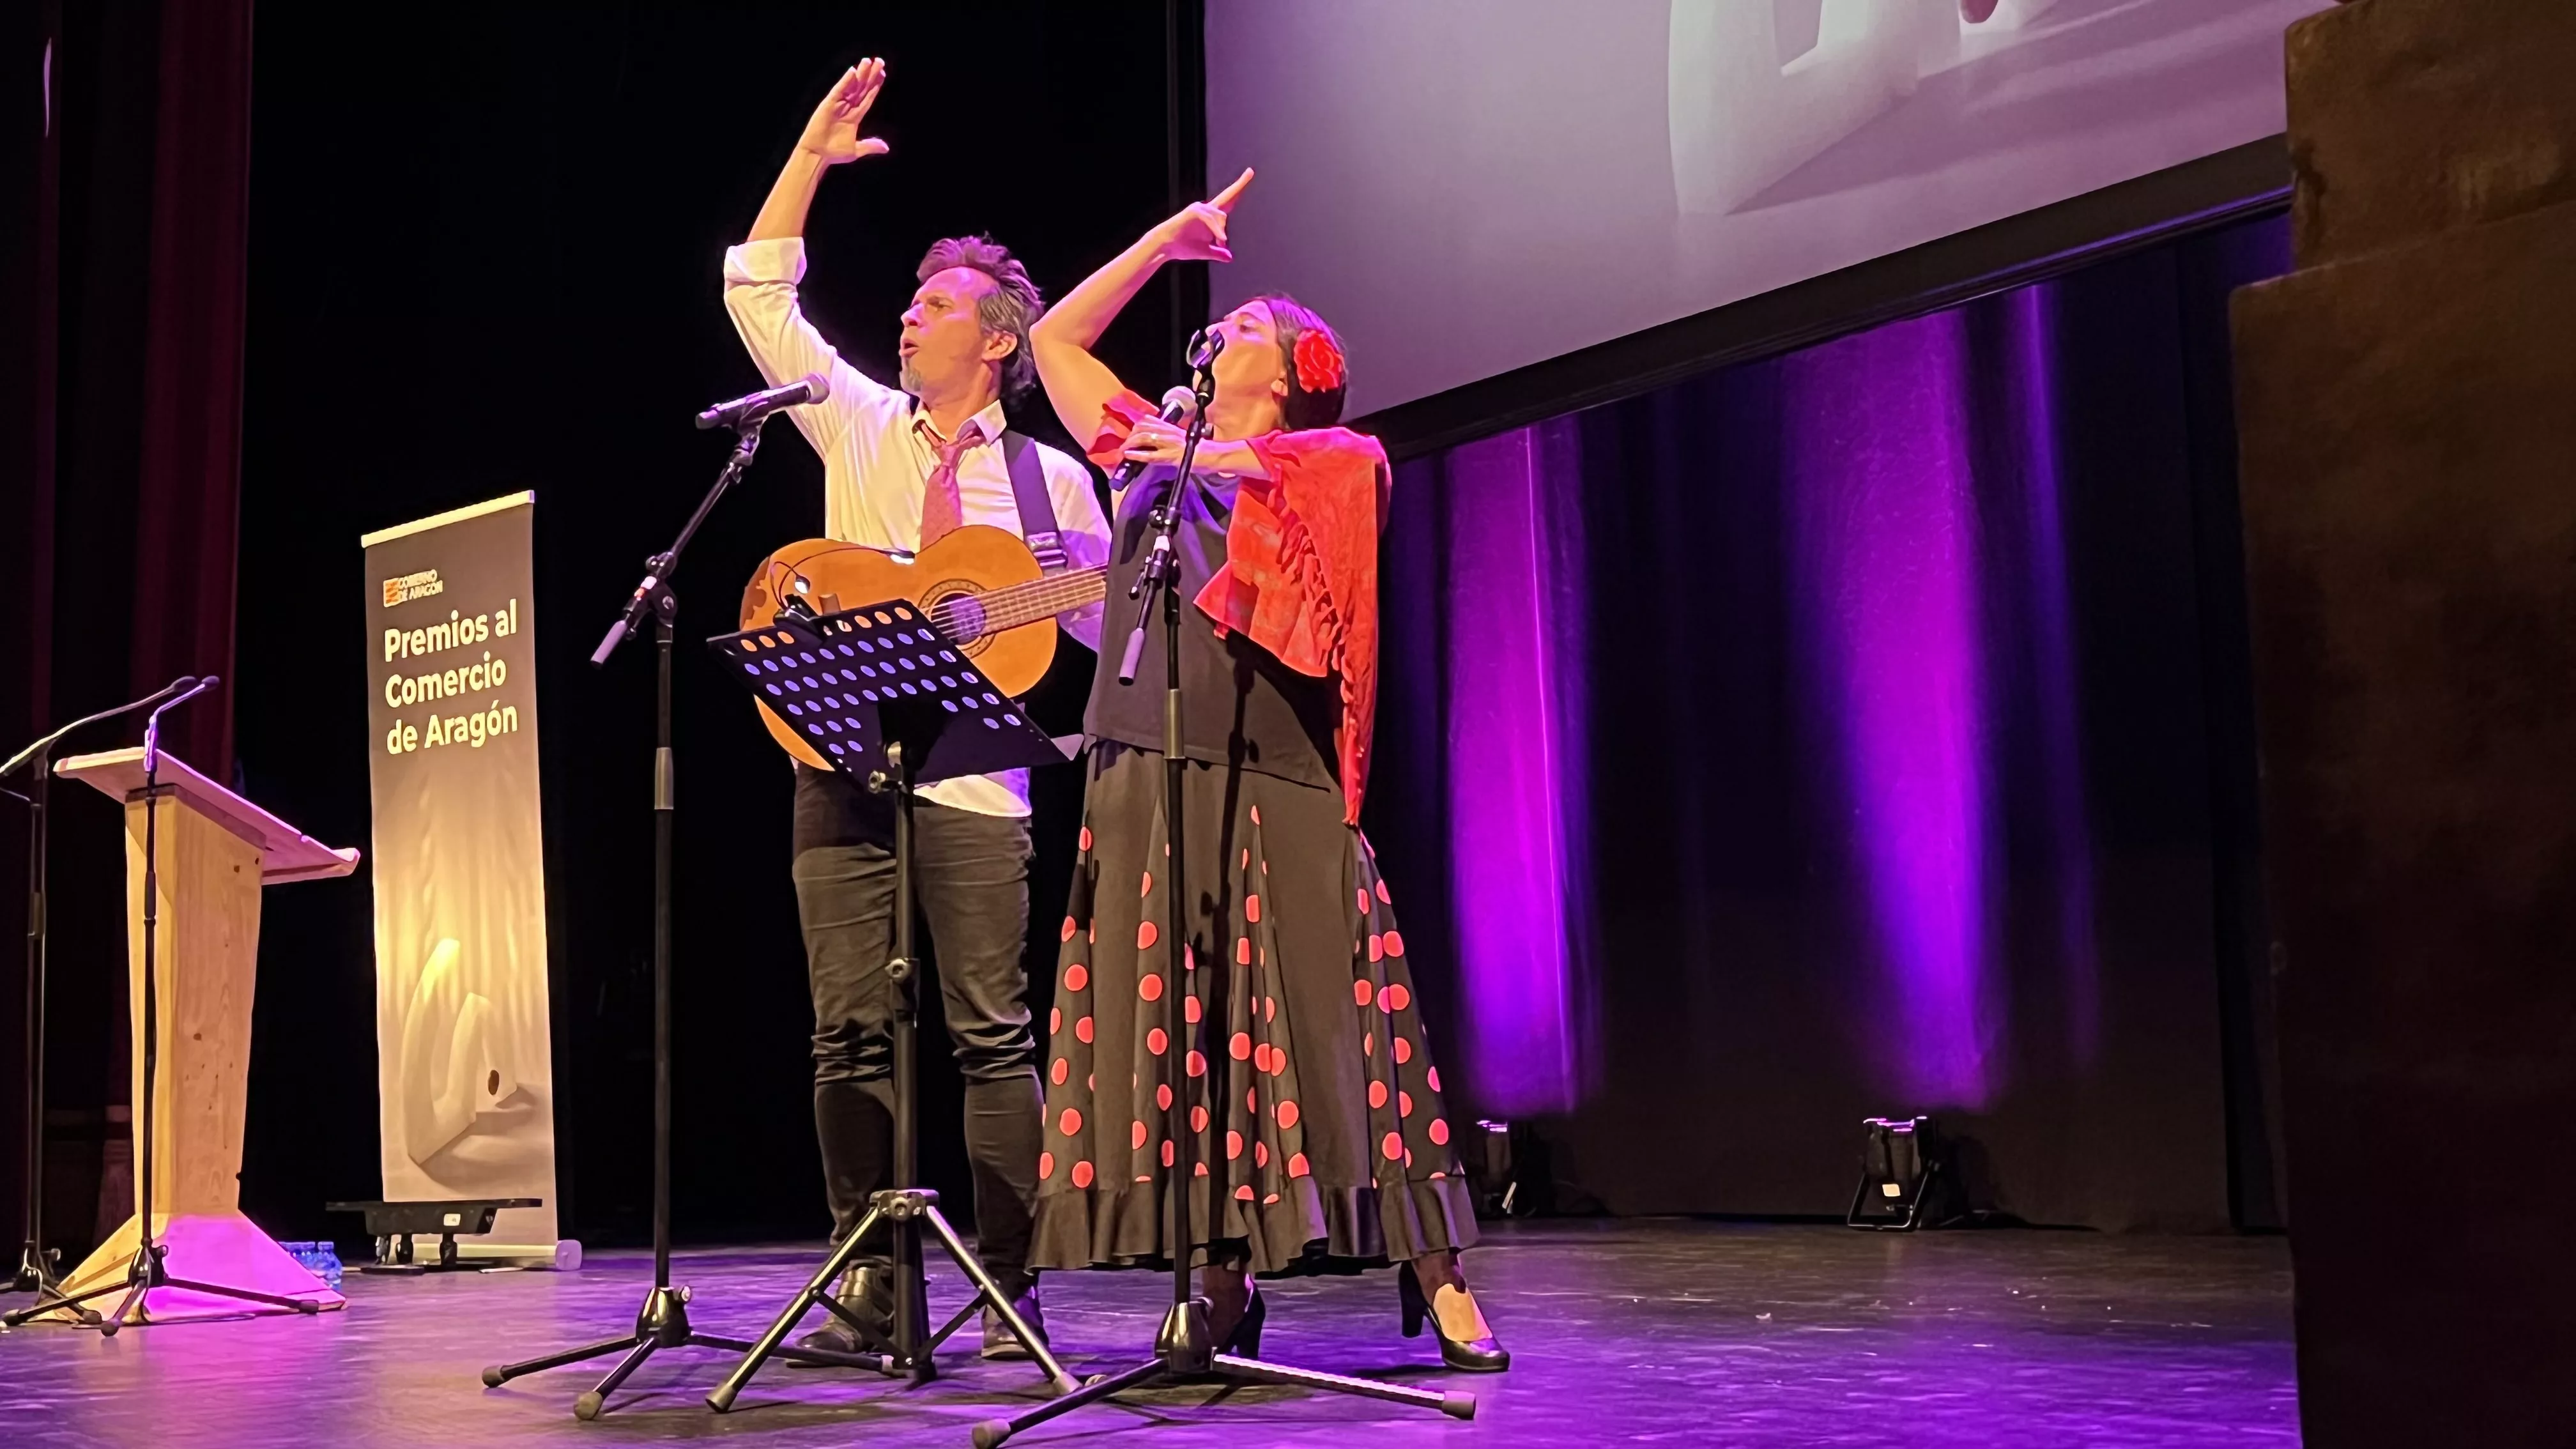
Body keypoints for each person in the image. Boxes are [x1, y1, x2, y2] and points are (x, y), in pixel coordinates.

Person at [1020, 168, 1507, 1371]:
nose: (1222, 331)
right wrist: (1162, 243)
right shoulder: (1150, 448)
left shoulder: (1331, 463)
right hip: (1144, 770)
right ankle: (1220, 1282)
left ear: (1284, 377)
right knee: (1184, 1037)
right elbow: (1050, 341)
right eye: (1226, 321)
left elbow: (1327, 481)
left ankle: (1437, 1274)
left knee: (1339, 1029)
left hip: (1273, 778)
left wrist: (1230, 460)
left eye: (1246, 328)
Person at [720, 58, 1110, 1361]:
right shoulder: (863, 430)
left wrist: (1037, 611)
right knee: (846, 1030)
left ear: (998, 339)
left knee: (990, 1035)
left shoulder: (1055, 485)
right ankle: (873, 1290)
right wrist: (811, 156)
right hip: (839, 763)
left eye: (933, 307)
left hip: (972, 784)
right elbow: (757, 292)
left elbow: (1111, 627)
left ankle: (1009, 1292)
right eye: (906, 302)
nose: (904, 321)